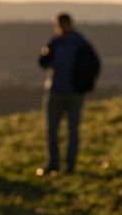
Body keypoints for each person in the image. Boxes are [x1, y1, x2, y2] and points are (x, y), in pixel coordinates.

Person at [36, 12, 96, 175]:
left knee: (71, 131)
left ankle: (69, 165)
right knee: (52, 131)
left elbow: (93, 65)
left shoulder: (80, 44)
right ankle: (53, 163)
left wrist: (84, 86)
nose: (61, 28)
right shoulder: (55, 43)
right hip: (56, 91)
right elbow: (43, 63)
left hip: (73, 93)